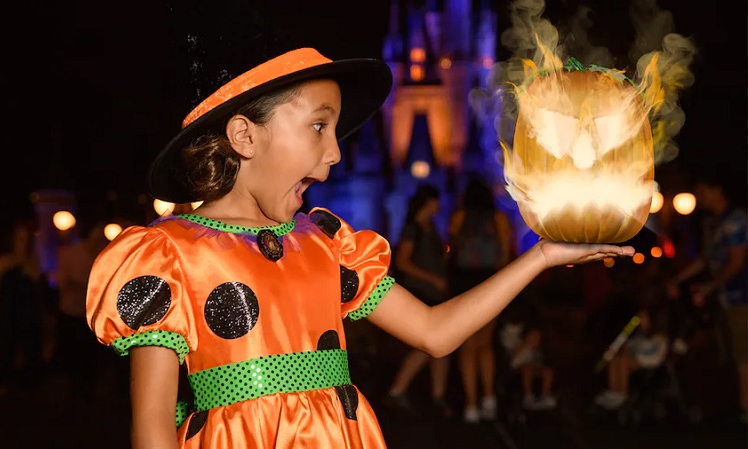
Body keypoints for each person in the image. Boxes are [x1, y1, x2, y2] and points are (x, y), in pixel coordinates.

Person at [85, 47, 634, 449]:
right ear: (245, 136)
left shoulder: (326, 243)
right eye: (319, 128)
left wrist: (540, 256)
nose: (335, 155)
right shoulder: (168, 254)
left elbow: (435, 334)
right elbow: (153, 426)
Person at [667, 174, 747, 422]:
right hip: (723, 298)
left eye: (701, 190)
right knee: (729, 350)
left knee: (743, 353)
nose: (698, 197)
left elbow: (736, 262)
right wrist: (678, 280)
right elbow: (705, 259)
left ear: (716, 189)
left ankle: (744, 408)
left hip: (742, 295)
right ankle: (733, 402)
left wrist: (710, 286)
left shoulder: (736, 219)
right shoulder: (712, 222)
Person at [382, 183, 453, 419]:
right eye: (435, 201)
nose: (438, 206)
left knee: (442, 346)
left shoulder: (430, 227)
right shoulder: (412, 228)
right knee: (426, 343)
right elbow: (402, 262)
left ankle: (438, 396)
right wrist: (432, 278)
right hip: (420, 291)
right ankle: (397, 389)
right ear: (428, 202)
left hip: (435, 292)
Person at [448, 176, 514, 422]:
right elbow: (505, 256)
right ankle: (489, 398)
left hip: (464, 284)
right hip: (489, 283)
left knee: (467, 345)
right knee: (486, 344)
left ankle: (471, 404)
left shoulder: (459, 218)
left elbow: (453, 251)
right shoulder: (499, 221)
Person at [0, 219, 48, 394]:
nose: (24, 241)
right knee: (6, 350)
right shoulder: (4, 262)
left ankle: (30, 384)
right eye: (20, 238)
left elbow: (39, 292)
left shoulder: (34, 263)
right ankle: (3, 381)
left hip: (29, 314)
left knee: (30, 351)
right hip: (9, 313)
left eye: (27, 238)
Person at [53, 220, 109, 391]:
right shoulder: (70, 253)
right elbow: (61, 281)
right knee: (71, 357)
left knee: (89, 361)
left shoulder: (106, 256)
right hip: (71, 313)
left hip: (93, 318)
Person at [594, 305, 669, 410]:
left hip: (649, 360)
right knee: (616, 358)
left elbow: (650, 352)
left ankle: (621, 393)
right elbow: (630, 344)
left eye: (643, 317)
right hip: (637, 357)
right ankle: (613, 390)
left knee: (623, 359)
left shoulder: (659, 336)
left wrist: (629, 350)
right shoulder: (640, 332)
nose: (640, 320)